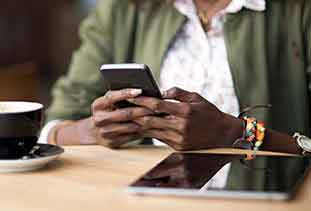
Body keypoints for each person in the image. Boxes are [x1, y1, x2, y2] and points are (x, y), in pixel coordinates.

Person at [42, 0, 311, 156]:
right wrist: (92, 131)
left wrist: (232, 134)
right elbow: (55, 129)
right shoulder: (124, 8)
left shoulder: (298, 12)